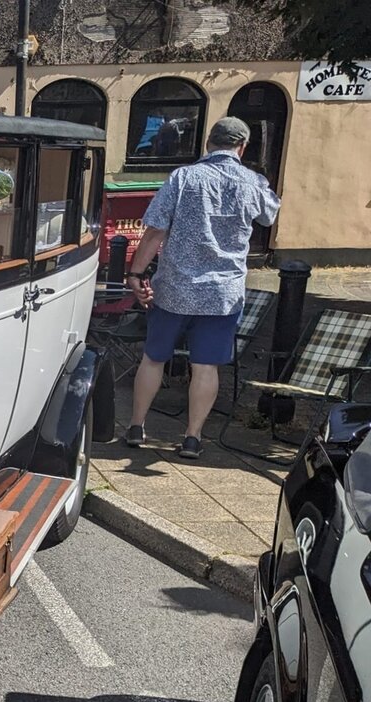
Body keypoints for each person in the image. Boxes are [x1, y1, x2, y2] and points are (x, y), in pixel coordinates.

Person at [125, 116, 281, 460]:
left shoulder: (183, 178)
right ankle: (192, 438)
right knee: (206, 366)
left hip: (176, 287)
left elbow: (154, 232)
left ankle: (136, 426)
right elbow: (269, 216)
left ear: (209, 143)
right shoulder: (252, 182)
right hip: (222, 294)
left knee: (154, 358)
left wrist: (136, 274)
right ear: (242, 147)